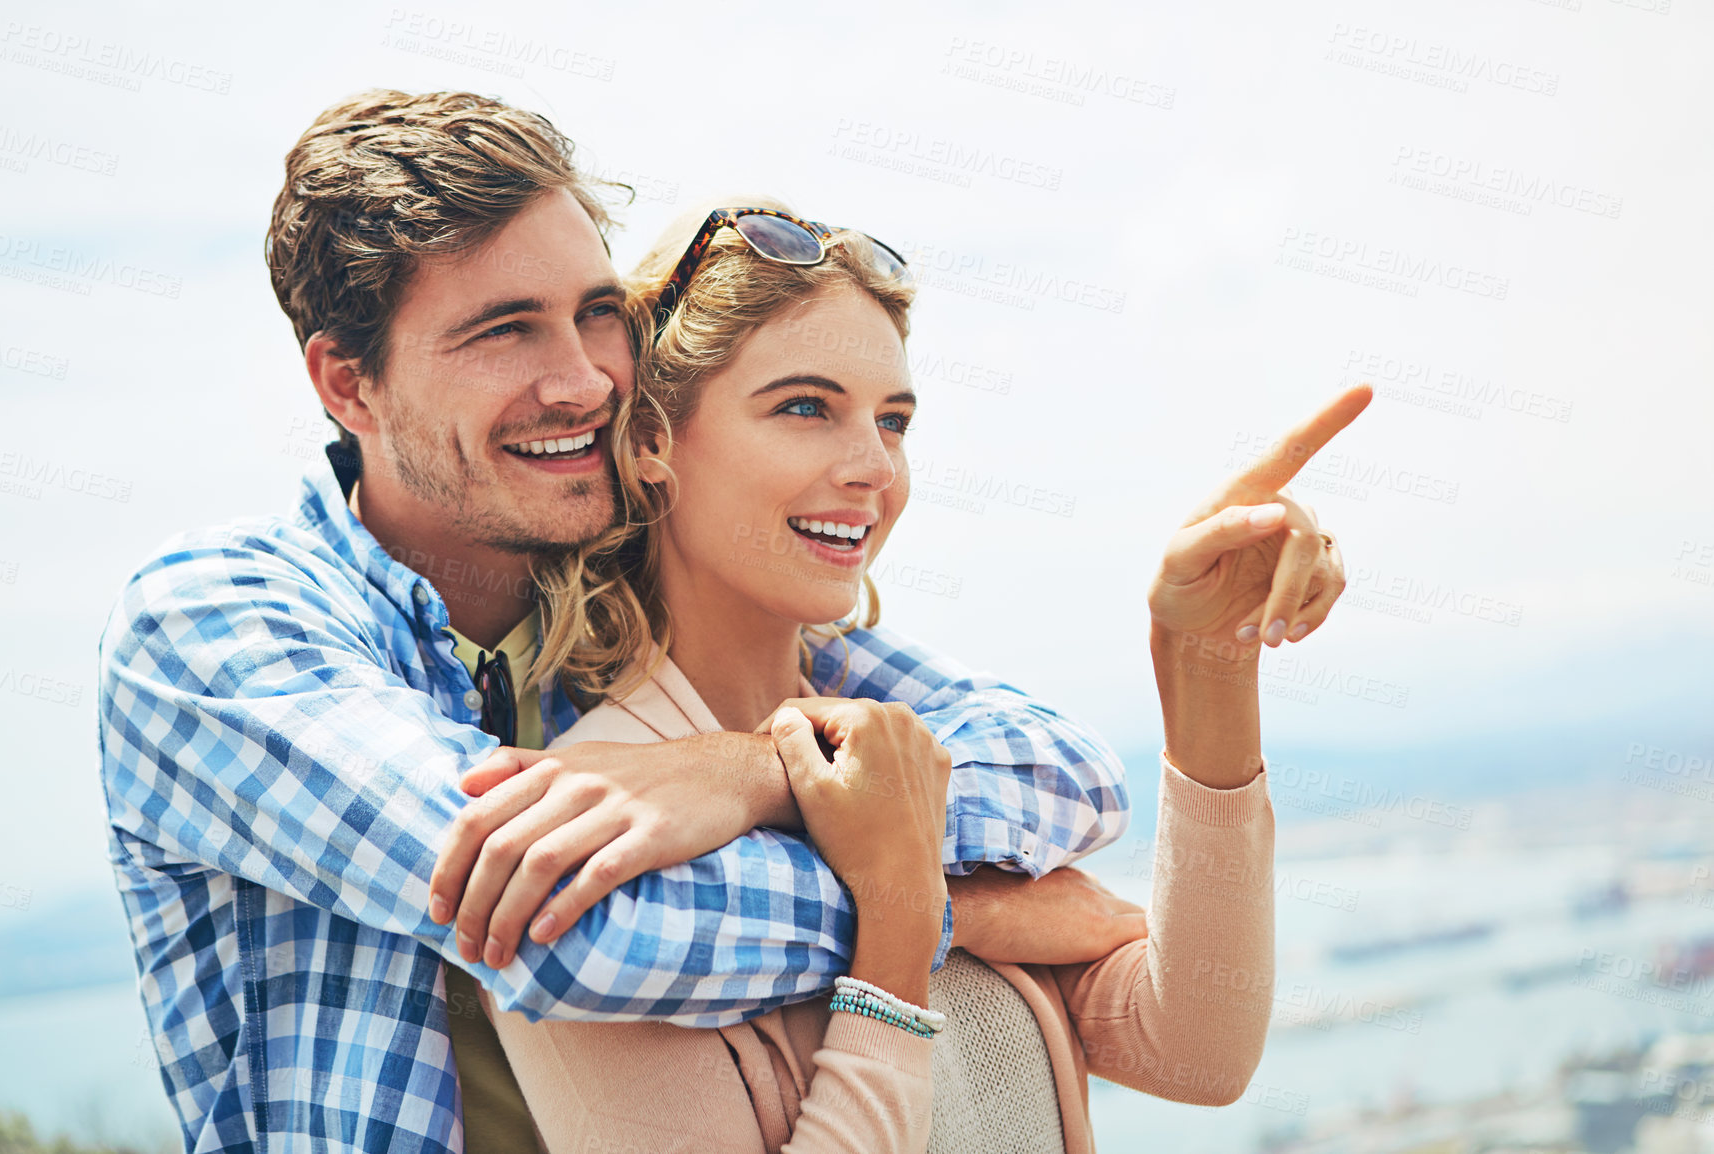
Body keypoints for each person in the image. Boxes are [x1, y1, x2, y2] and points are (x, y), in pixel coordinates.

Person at [95, 90, 1131, 1154]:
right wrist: (937, 907)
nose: (584, 379)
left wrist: (754, 772)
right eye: (504, 331)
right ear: (348, 384)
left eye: (596, 311)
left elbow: (1061, 768)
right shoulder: (210, 632)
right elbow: (571, 931)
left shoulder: (619, 599)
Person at [448, 202, 1369, 1151]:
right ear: (651, 444)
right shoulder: (591, 822)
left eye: (891, 421)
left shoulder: (928, 754)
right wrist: (898, 916)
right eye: (803, 407)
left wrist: (1208, 664)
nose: (872, 468)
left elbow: (1196, 1051)